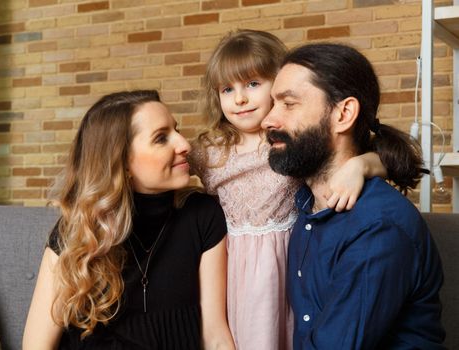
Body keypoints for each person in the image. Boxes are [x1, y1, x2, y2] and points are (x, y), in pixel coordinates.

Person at [188, 29, 388, 350]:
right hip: (231, 271)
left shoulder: (290, 143)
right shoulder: (209, 151)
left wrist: (360, 166)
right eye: (227, 89)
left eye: (253, 84)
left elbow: (390, 160)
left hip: (287, 264)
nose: (239, 99)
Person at [262, 42, 446, 349]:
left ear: (343, 114)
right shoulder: (305, 205)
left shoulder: (378, 226)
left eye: (288, 104)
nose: (268, 120)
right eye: (272, 104)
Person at [23, 90, 235, 350]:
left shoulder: (203, 215)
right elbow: (36, 346)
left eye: (176, 130)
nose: (184, 145)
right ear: (121, 162)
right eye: (161, 138)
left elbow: (214, 336)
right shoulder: (78, 230)